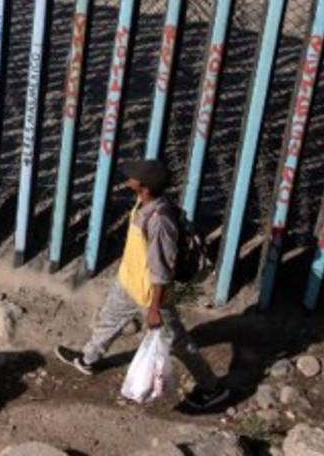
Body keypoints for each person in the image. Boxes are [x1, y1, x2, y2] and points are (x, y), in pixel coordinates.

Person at [54, 159, 230, 413]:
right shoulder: (145, 203)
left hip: (151, 294)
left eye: (133, 176)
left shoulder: (160, 220)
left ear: (144, 187)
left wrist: (155, 308)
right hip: (129, 282)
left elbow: (162, 269)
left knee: (179, 342)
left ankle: (212, 388)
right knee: (108, 319)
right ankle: (88, 359)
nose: (129, 177)